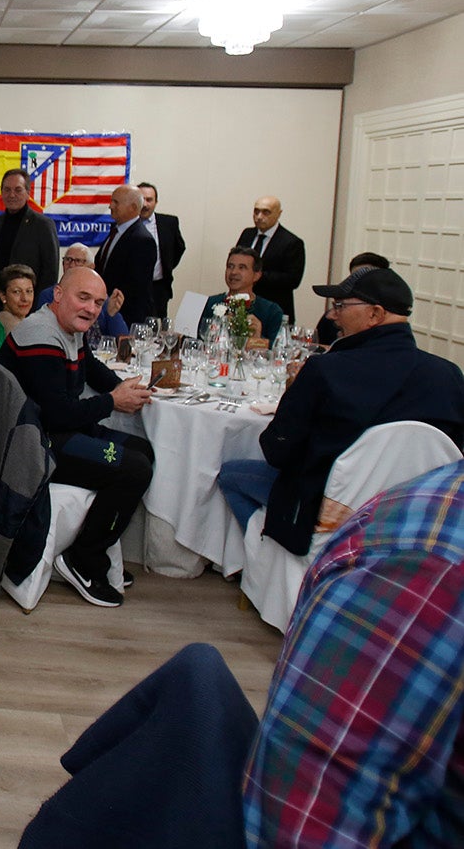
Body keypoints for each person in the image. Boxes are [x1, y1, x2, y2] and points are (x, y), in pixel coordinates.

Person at [243, 458, 464, 847]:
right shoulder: (430, 563)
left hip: (332, 504)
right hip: (355, 512)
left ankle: (240, 563)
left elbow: (279, 446)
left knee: (233, 480)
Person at [217, 267, 464, 555]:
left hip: (329, 514)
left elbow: (276, 452)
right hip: (415, 515)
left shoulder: (326, 370)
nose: (332, 316)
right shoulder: (448, 376)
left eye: (340, 306)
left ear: (375, 314)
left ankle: (266, 562)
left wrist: (293, 396)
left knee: (231, 474)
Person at [0, 267, 154, 607]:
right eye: (83, 298)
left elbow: (90, 367)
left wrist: (123, 387)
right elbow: (59, 414)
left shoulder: (66, 327)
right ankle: (83, 560)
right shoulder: (40, 334)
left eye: (98, 302)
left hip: (58, 430)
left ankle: (93, 547)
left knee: (142, 450)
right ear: (57, 294)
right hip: (37, 444)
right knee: (135, 468)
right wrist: (114, 401)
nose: (91, 308)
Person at [0, 167, 60, 314]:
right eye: (7, 190)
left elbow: (50, 274)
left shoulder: (43, 225)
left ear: (28, 193)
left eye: (18, 190)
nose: (12, 195)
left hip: (26, 310)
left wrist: (37, 311)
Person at [34, 243, 129, 338]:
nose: (72, 265)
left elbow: (122, 336)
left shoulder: (100, 297)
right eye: (68, 260)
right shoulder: (50, 294)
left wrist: (111, 314)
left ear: (91, 267)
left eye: (78, 261)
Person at [95, 184, 158, 326]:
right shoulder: (115, 231)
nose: (110, 206)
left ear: (134, 207)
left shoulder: (143, 240)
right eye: (111, 201)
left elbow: (136, 289)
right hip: (104, 313)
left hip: (124, 319)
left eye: (116, 202)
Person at [237, 195, 305, 325]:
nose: (259, 216)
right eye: (256, 211)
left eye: (266, 212)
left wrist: (256, 276)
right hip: (244, 307)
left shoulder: (291, 242)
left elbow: (292, 279)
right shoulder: (247, 234)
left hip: (275, 309)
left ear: (278, 214)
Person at [197, 247, 283, 341]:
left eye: (242, 267)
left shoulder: (271, 311)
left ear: (256, 275)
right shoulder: (208, 303)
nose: (233, 272)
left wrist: (257, 339)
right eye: (230, 266)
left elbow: (276, 351)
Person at [315, 251, 389, 345]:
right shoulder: (332, 319)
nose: (332, 315)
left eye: (364, 278)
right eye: (354, 277)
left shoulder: (388, 327)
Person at [136, 182, 186, 318]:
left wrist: (165, 266)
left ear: (156, 202)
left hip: (158, 289)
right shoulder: (125, 223)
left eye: (149, 200)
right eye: (141, 199)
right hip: (132, 291)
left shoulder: (169, 223)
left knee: (157, 329)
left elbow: (179, 248)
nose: (145, 204)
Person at [0, 264, 35, 333]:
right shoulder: (15, 331)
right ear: (3, 296)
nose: (25, 298)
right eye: (17, 292)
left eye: (29, 291)